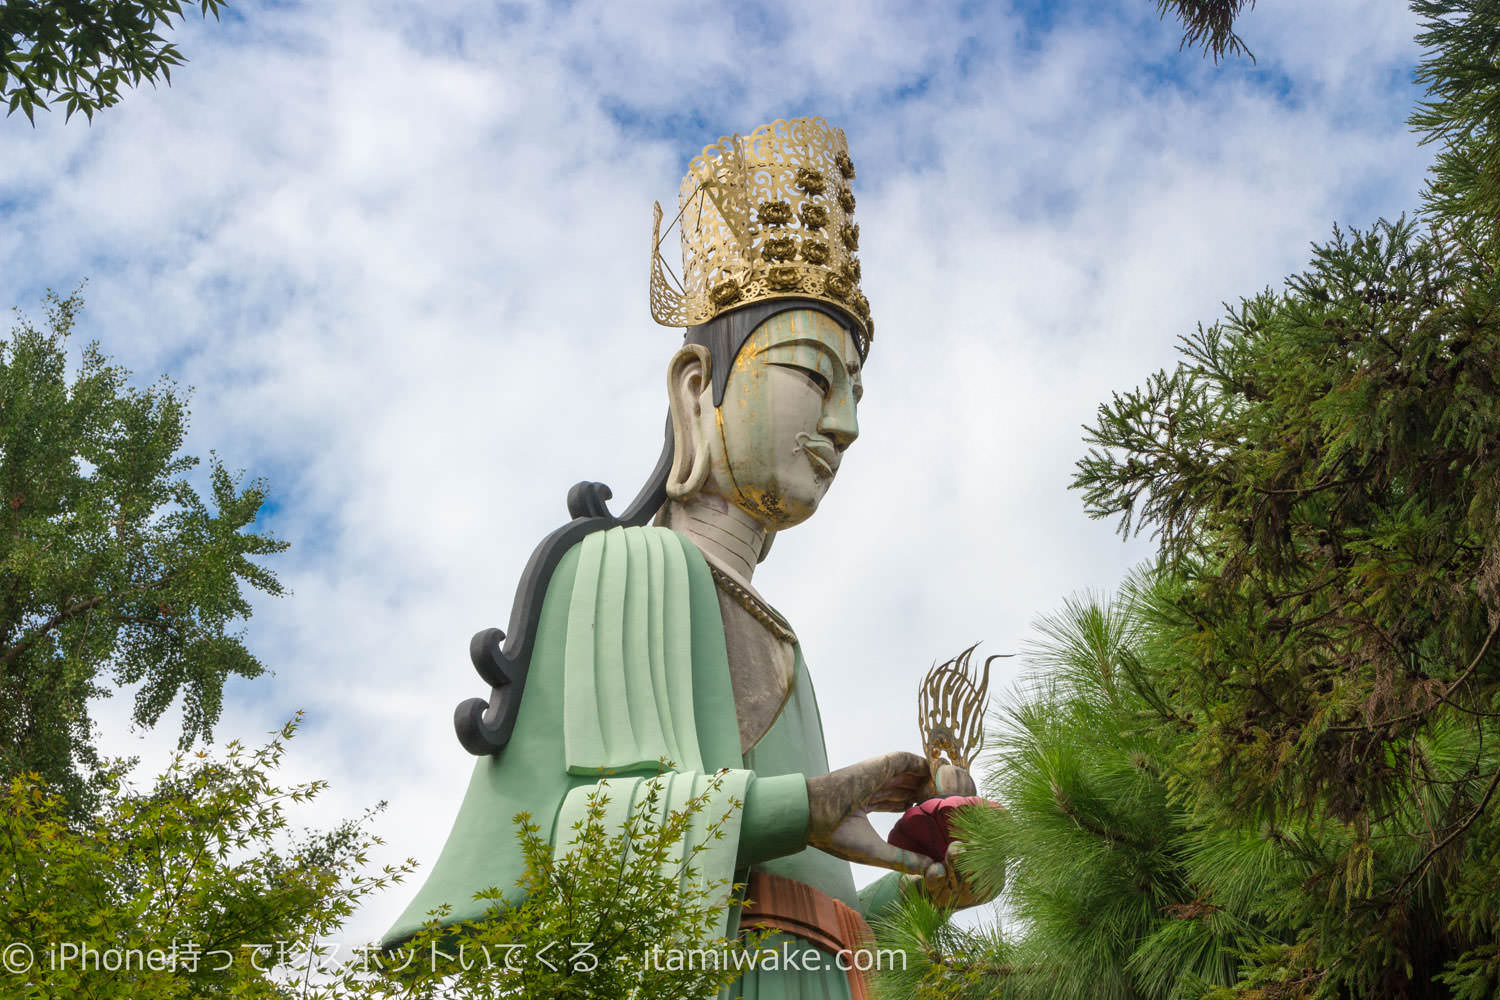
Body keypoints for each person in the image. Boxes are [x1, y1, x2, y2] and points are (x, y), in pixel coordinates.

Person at [385, 117, 988, 999]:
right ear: (696, 388)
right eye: (814, 377)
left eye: (856, 394)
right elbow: (592, 835)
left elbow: (833, 936)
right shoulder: (630, 570)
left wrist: (937, 888)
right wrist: (807, 804)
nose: (846, 426)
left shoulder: (787, 642)